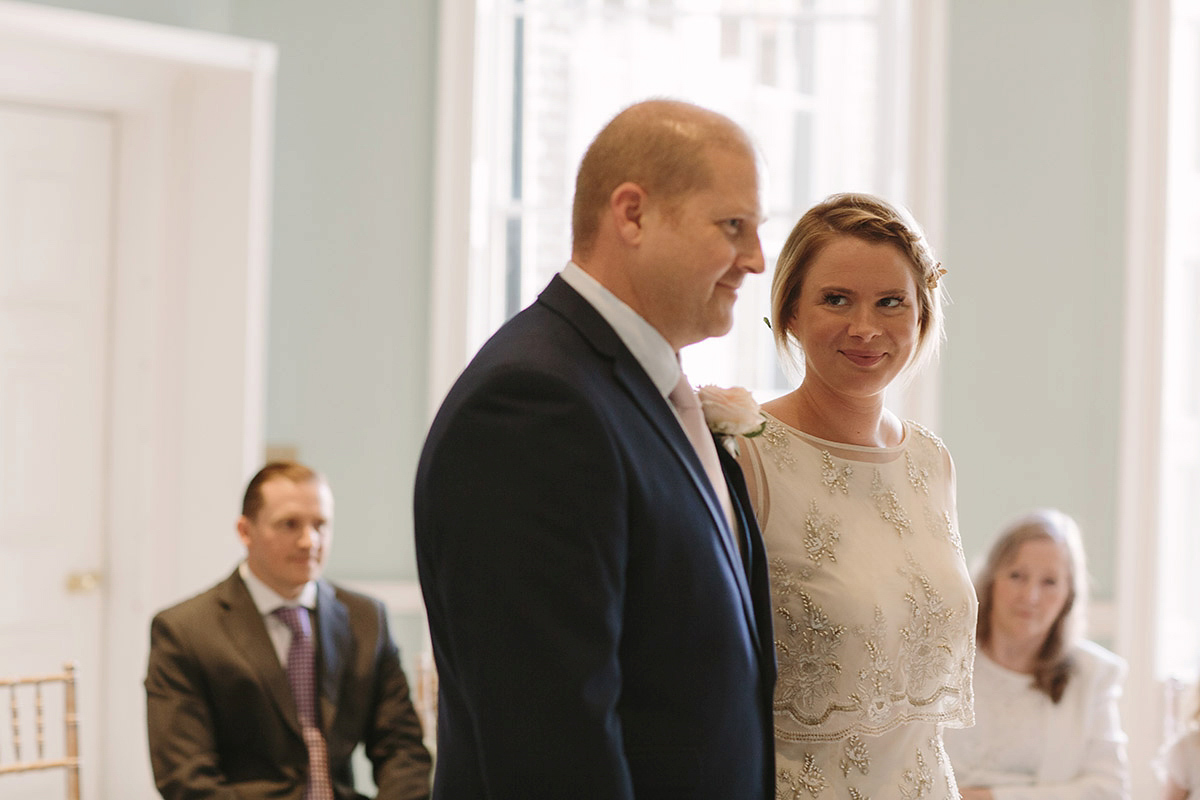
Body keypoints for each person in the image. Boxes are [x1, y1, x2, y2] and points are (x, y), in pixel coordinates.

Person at [414, 99, 777, 798]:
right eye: (734, 227)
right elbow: (550, 735)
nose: (755, 261)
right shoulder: (533, 405)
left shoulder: (641, 390)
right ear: (632, 214)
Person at [734, 192, 976, 798]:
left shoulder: (933, 462)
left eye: (891, 302)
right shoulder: (747, 455)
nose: (865, 328)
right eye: (836, 299)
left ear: (921, 314)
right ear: (789, 311)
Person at [145, 461, 432, 800]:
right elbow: (185, 779)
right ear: (245, 531)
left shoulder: (367, 618)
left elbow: (402, 749)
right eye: (289, 524)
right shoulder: (184, 631)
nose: (309, 541)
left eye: (320, 525)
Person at [943, 509, 1130, 799]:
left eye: (1049, 582)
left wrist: (988, 798)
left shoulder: (1095, 674)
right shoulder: (941, 657)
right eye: (1017, 576)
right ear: (992, 579)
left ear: (1069, 595)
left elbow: (1109, 791)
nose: (1030, 597)